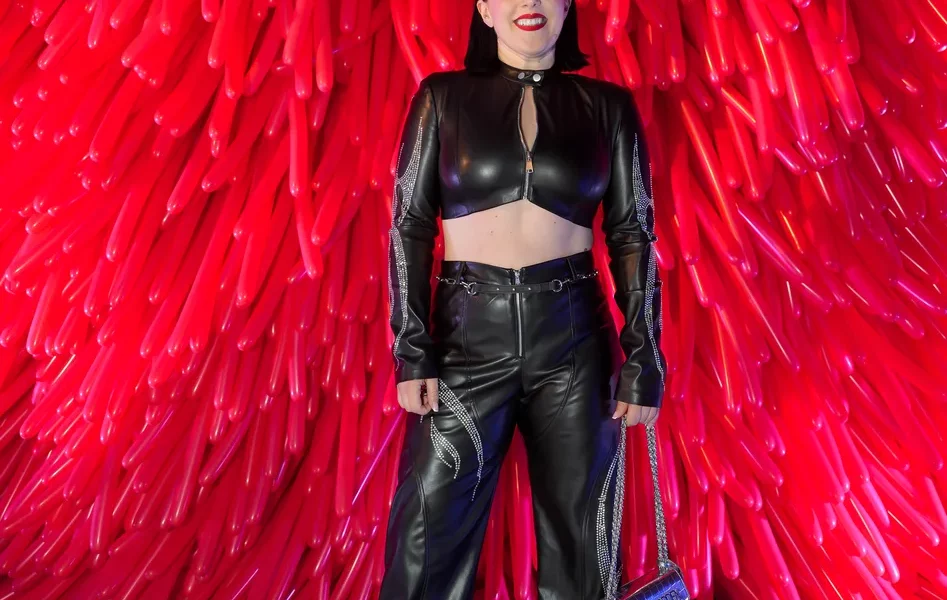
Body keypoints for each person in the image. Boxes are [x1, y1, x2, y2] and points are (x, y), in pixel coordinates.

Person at [380, 0, 667, 598]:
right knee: (425, 538)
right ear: (484, 9)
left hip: (574, 343)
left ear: (567, 6)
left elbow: (633, 234)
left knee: (584, 542)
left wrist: (645, 357)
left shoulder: (608, 108)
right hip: (464, 341)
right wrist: (412, 350)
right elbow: (409, 225)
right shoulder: (442, 98)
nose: (529, 4)